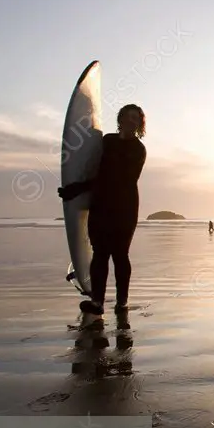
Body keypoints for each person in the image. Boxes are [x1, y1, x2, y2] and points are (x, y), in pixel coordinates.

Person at [59, 104, 147, 315]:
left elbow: (117, 179)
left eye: (137, 118)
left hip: (124, 207)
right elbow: (92, 167)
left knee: (120, 255)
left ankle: (122, 302)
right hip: (100, 204)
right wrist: (76, 188)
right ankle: (97, 302)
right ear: (121, 118)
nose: (132, 120)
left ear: (140, 124)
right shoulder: (106, 141)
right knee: (99, 254)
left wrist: (79, 189)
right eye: (129, 116)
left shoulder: (138, 150)